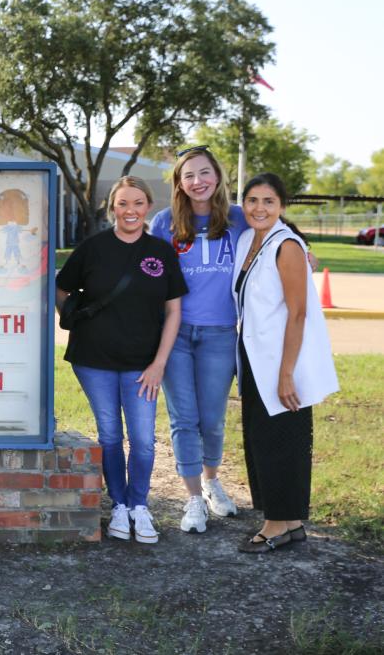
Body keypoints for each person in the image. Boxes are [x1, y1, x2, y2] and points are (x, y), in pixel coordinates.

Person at [56, 176, 186, 544]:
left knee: (143, 440)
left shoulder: (160, 252)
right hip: (93, 359)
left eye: (138, 203)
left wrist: (159, 363)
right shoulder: (92, 248)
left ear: (148, 207)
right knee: (110, 435)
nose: (130, 211)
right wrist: (71, 316)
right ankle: (118, 506)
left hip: (143, 364)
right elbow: (61, 286)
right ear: (112, 206)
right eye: (123, 203)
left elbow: (174, 311)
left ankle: (139, 505)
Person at [233, 173, 338, 553]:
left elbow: (298, 314)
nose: (259, 208)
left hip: (281, 361)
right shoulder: (248, 239)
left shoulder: (287, 245)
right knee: (263, 440)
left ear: (281, 207)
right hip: (255, 360)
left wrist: (286, 373)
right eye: (252, 201)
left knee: (281, 442)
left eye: (268, 201)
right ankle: (290, 521)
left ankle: (275, 525)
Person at [149, 146, 246, 533]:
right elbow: (146, 268)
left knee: (212, 419)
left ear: (218, 176)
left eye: (204, 173)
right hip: (175, 334)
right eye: (188, 175)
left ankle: (210, 482)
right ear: (179, 182)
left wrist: (303, 249)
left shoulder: (238, 219)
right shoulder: (164, 222)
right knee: (183, 418)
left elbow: (280, 232)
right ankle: (192, 499)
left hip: (221, 332)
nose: (197, 181)